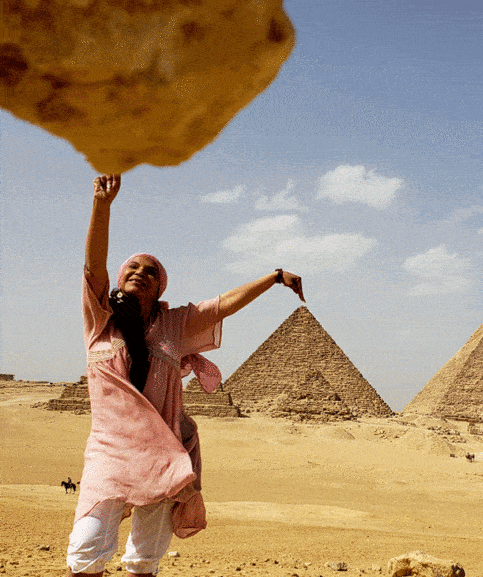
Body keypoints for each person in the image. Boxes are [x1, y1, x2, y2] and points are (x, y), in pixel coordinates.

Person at [66, 174, 305, 577]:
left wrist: (275, 276)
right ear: (120, 278)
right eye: (133, 267)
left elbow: (223, 305)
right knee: (86, 548)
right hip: (109, 451)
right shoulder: (101, 321)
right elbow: (92, 267)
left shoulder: (175, 325)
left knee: (145, 557)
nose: (141, 273)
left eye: (151, 271)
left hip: (164, 452)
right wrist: (101, 206)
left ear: (161, 287)